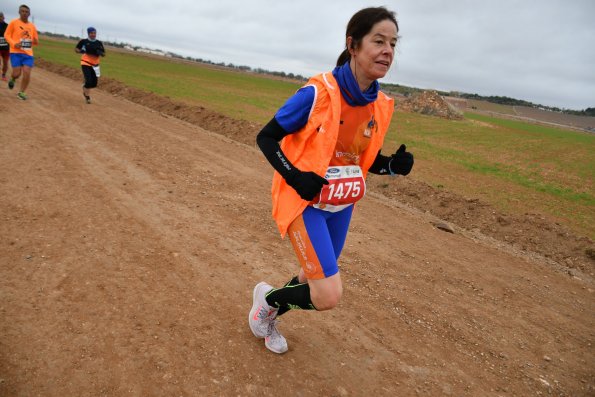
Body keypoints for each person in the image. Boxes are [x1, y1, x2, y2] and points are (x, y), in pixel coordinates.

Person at [249, 6, 414, 354]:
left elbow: (359, 161)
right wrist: (295, 178)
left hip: (340, 205)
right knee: (327, 294)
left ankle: (270, 305)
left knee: (312, 277)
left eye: (393, 44)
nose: (388, 51)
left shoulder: (380, 105)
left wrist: (392, 167)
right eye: (379, 41)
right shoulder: (318, 93)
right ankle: (266, 304)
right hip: (304, 201)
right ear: (352, 45)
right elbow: (266, 137)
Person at [4, 4, 38, 100]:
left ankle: (21, 92)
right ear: (19, 12)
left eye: (26, 12)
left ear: (29, 14)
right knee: (17, 74)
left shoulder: (32, 26)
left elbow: (36, 41)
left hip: (28, 54)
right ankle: (13, 79)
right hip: (15, 52)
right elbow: (6, 35)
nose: (24, 13)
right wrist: (14, 44)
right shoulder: (13, 23)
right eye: (22, 11)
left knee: (27, 72)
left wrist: (34, 41)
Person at [75, 27, 105, 104]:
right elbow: (76, 49)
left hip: (95, 65)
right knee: (88, 81)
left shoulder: (99, 43)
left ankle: (85, 86)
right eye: (91, 33)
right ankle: (87, 97)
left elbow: (103, 53)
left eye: (94, 33)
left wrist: (100, 53)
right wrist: (81, 51)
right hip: (85, 62)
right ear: (88, 33)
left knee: (94, 84)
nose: (93, 34)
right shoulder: (84, 41)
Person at [0, 12, 9, 81]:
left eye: (2, 16)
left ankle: (3, 75)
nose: (1, 18)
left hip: (6, 47)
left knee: (5, 63)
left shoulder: (7, 26)